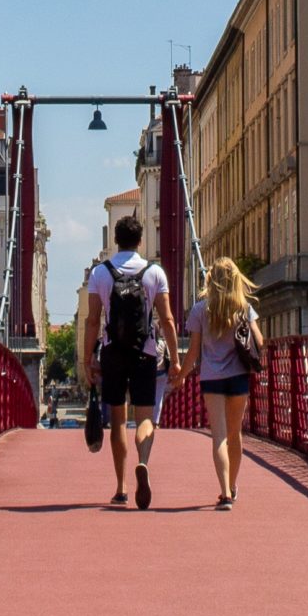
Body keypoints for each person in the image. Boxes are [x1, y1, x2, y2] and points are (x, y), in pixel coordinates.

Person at [79, 216, 176, 509]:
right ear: (141, 241)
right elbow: (168, 320)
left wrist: (87, 359)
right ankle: (142, 461)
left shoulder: (100, 273)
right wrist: (177, 358)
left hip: (112, 353)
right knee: (145, 417)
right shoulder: (154, 272)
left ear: (115, 240)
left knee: (118, 420)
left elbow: (93, 320)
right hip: (145, 352)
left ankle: (120, 488)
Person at [180, 257, 265, 507]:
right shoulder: (244, 308)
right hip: (239, 376)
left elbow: (194, 352)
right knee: (235, 433)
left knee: (219, 436)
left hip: (212, 378)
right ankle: (233, 485)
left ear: (212, 280)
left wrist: (180, 377)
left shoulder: (199, 310)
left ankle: (224, 492)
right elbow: (259, 343)